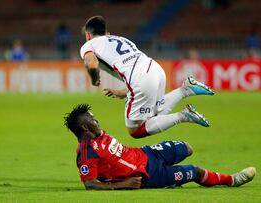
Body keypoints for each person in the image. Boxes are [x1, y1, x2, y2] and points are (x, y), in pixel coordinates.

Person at [80, 16, 215, 139]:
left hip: (141, 77)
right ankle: (186, 90)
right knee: (155, 115)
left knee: (135, 130)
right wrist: (124, 92)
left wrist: (94, 79)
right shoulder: (120, 39)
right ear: (107, 33)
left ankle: (184, 115)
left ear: (88, 35)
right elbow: (133, 66)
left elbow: (91, 64)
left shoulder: (89, 45)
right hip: (155, 69)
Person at [63, 104, 256, 190]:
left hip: (146, 153)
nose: (96, 120)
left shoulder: (100, 134)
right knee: (194, 171)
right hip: (148, 175)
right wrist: (123, 185)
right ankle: (232, 180)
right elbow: (90, 184)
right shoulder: (86, 153)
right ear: (85, 127)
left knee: (186, 148)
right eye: (92, 119)